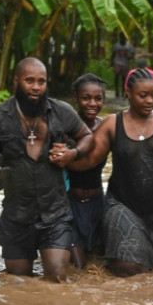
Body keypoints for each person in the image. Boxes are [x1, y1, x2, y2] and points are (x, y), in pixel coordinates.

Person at [59, 68, 153, 277]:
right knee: (127, 269)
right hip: (123, 205)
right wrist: (63, 159)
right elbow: (89, 160)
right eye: (143, 95)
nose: (150, 101)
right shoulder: (113, 123)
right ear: (128, 93)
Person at [0, 57, 94, 282]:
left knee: (58, 277)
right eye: (29, 80)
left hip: (55, 214)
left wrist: (73, 153)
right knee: (18, 282)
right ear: (16, 81)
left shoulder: (61, 111)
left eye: (41, 81)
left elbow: (86, 136)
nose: (36, 87)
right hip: (16, 216)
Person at [67, 73, 109, 268]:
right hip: (69, 205)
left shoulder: (106, 127)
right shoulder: (64, 126)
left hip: (98, 204)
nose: (92, 103)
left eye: (98, 98)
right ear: (75, 98)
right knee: (79, 267)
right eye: (86, 98)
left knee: (100, 264)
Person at [111, 33, 134, 98]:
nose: (123, 39)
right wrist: (111, 63)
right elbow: (113, 54)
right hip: (117, 62)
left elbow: (132, 53)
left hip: (125, 63)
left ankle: (124, 92)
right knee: (117, 76)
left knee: (124, 78)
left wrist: (130, 58)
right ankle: (117, 90)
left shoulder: (128, 46)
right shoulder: (117, 45)